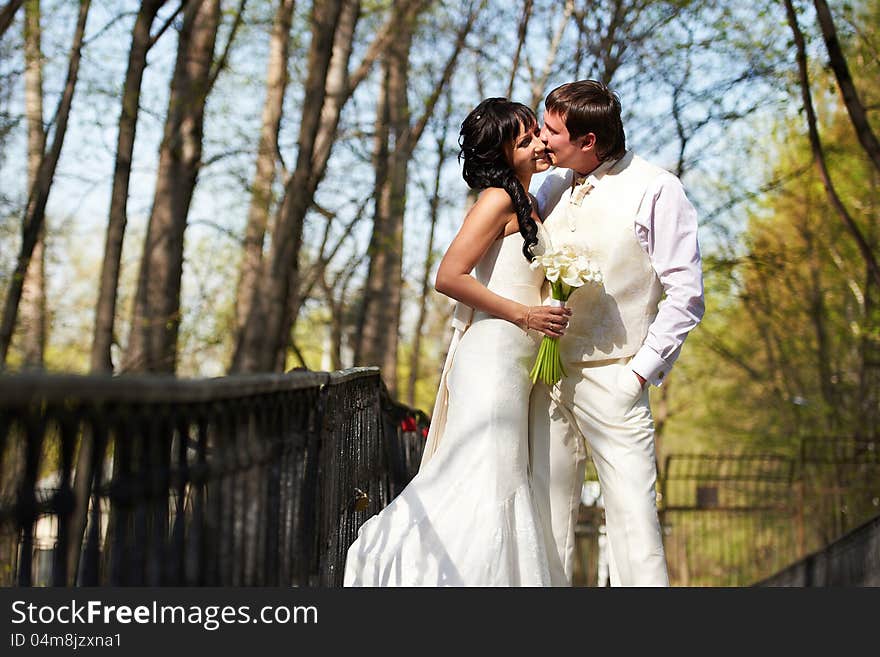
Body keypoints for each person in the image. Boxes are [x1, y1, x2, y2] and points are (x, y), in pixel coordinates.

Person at [344, 98, 571, 586]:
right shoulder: (497, 199)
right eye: (525, 139)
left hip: (518, 362)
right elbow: (448, 276)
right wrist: (525, 313)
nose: (537, 144)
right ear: (502, 154)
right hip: (491, 357)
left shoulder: (530, 202)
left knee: (504, 475)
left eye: (537, 133)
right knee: (485, 476)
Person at [529, 80, 705, 586]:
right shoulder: (552, 186)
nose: (542, 139)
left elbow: (686, 294)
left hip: (617, 378)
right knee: (546, 514)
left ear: (588, 141)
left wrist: (640, 374)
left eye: (552, 131)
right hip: (550, 375)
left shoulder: (657, 188)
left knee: (633, 520)